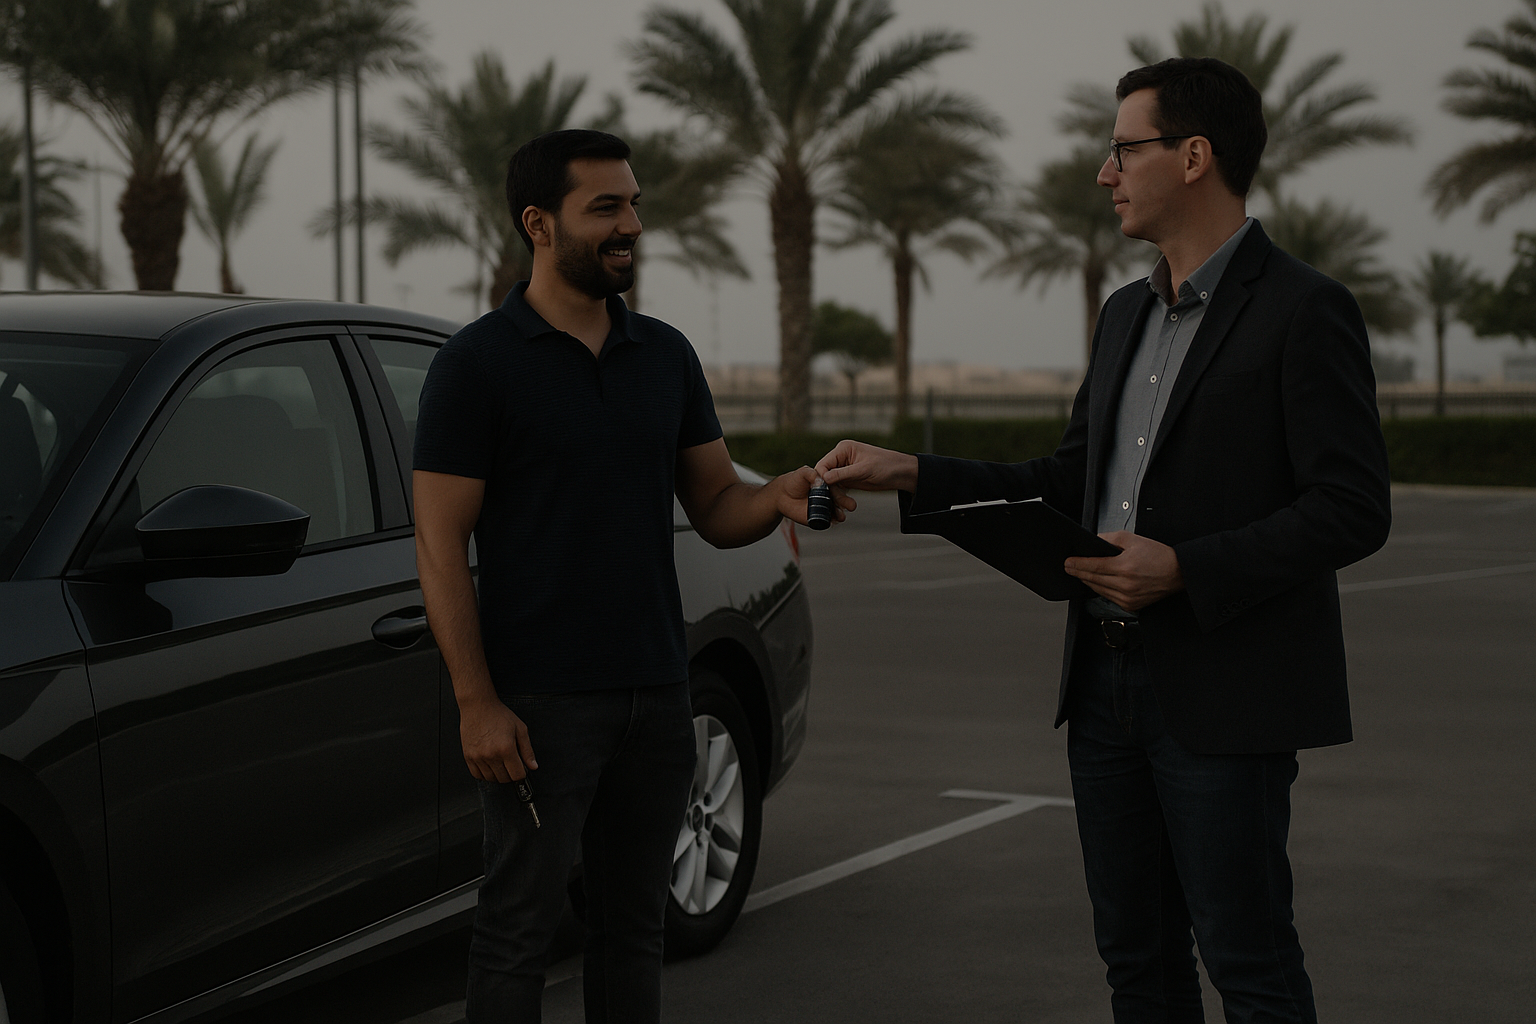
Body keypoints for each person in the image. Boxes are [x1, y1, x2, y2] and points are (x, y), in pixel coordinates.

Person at [815, 58, 1390, 1023]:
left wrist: (1189, 569)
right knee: (1136, 963)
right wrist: (909, 470)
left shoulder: (1304, 307)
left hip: (1223, 695)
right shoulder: (1125, 312)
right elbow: (1062, 483)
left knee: (1248, 962)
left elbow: (1353, 506)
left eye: (1125, 148)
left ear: (1195, 156)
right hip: (1103, 690)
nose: (1105, 170)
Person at [413, 129, 843, 1023]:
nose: (632, 226)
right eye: (606, 208)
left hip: (658, 689)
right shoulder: (476, 366)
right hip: (541, 706)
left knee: (632, 927)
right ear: (539, 223)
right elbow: (439, 543)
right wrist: (476, 701)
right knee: (517, 931)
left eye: (635, 204)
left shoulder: (666, 357)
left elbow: (717, 502)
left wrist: (782, 497)